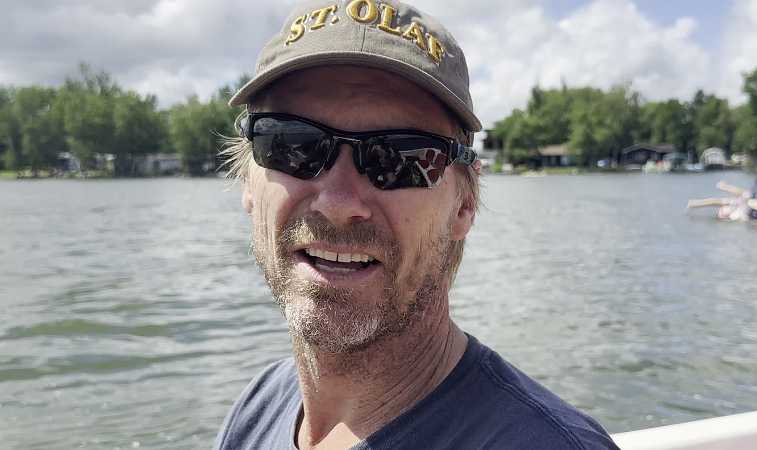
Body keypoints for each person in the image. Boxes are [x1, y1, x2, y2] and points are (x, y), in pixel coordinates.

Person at [214, 1, 619, 449]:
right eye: (291, 144)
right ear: (248, 182)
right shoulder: (259, 406)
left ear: (464, 204)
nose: (337, 204)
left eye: (400, 158)